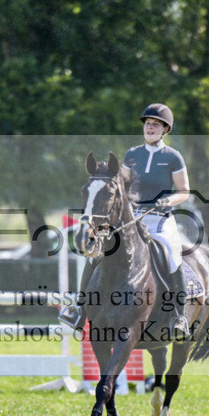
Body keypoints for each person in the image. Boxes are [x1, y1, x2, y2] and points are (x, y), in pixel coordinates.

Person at [59, 103, 192, 340]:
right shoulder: (132, 154)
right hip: (132, 220)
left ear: (165, 130)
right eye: (148, 124)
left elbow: (184, 191)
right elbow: (122, 183)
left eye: (156, 125)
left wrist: (167, 201)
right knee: (97, 253)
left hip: (161, 219)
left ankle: (178, 317)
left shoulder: (173, 157)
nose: (150, 128)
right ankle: (79, 308)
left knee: (173, 255)